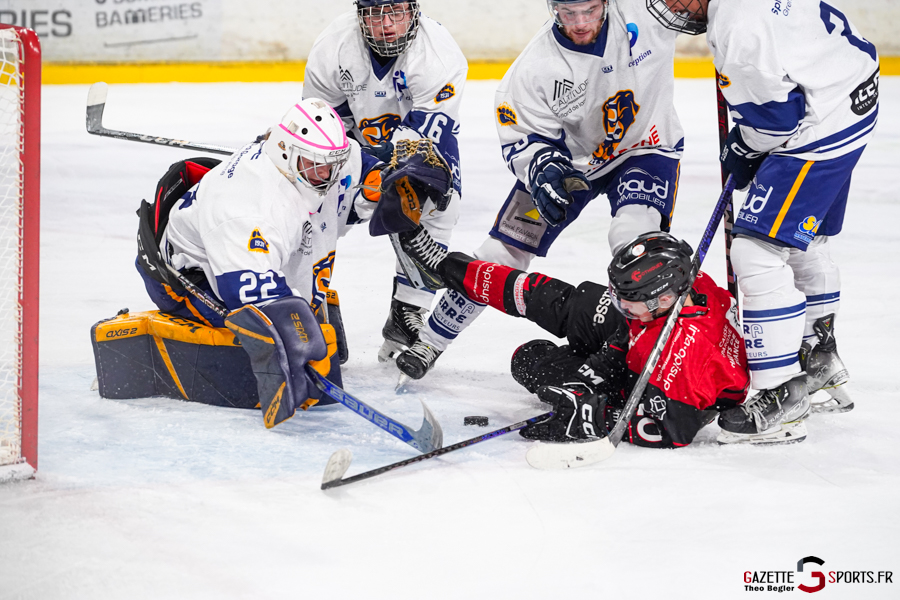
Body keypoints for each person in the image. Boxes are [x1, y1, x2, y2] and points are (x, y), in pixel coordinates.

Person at [395, 0, 688, 383]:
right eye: (569, 13)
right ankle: (431, 341)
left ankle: (654, 352)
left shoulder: (645, 13)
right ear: (553, 9)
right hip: (572, 165)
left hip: (646, 150)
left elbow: (702, 11)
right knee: (502, 252)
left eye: (590, 10)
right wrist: (543, 168)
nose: (581, 23)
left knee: (633, 241)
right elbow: (523, 141)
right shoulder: (535, 69)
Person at [134, 98, 448, 428]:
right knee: (298, 352)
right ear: (286, 151)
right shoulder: (250, 210)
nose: (328, 173)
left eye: (333, 163)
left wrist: (380, 180)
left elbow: (356, 164)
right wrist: (296, 343)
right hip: (190, 276)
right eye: (319, 166)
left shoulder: (309, 160)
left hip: (242, 249)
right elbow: (256, 307)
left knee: (319, 336)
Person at [646, 0, 877, 443]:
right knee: (806, 241)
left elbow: (777, 121)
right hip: (852, 95)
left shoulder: (737, 26)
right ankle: (818, 358)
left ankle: (780, 397)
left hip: (821, 124)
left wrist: (745, 146)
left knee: (755, 250)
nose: (671, 5)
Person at [405, 231, 751, 447]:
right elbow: (633, 312)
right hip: (646, 335)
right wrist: (622, 330)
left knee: (531, 361)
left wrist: (594, 416)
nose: (619, 304)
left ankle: (584, 380)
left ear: (661, 299)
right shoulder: (686, 282)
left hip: (646, 380)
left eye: (626, 303)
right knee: (562, 302)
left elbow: (670, 429)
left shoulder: (684, 363)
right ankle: (450, 268)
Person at [302, 0, 467, 365]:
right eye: (376, 15)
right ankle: (303, 300)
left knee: (440, 200)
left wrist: (384, 172)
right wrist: (351, 165)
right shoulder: (334, 47)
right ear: (361, 16)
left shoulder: (437, 55)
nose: (388, 25)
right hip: (354, 148)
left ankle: (407, 311)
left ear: (414, 11)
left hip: (417, 151)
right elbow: (324, 126)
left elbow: (422, 145)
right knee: (312, 211)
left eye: (397, 13)